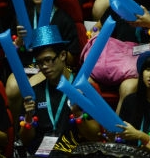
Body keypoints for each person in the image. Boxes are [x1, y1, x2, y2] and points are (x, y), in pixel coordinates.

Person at [5, 0, 80, 121]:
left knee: (30, 89)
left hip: (50, 66)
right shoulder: (22, 16)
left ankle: (35, 126)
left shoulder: (64, 19)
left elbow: (73, 59)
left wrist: (56, 49)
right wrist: (18, 42)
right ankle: (18, 130)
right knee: (12, 88)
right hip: (27, 66)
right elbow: (10, 55)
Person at [18, 25, 101, 156]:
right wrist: (28, 119)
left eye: (48, 60)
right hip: (42, 153)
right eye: (40, 63)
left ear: (62, 55)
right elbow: (25, 140)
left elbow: (95, 135)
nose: (44, 67)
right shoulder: (34, 93)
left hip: (74, 151)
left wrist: (78, 114)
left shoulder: (83, 90)